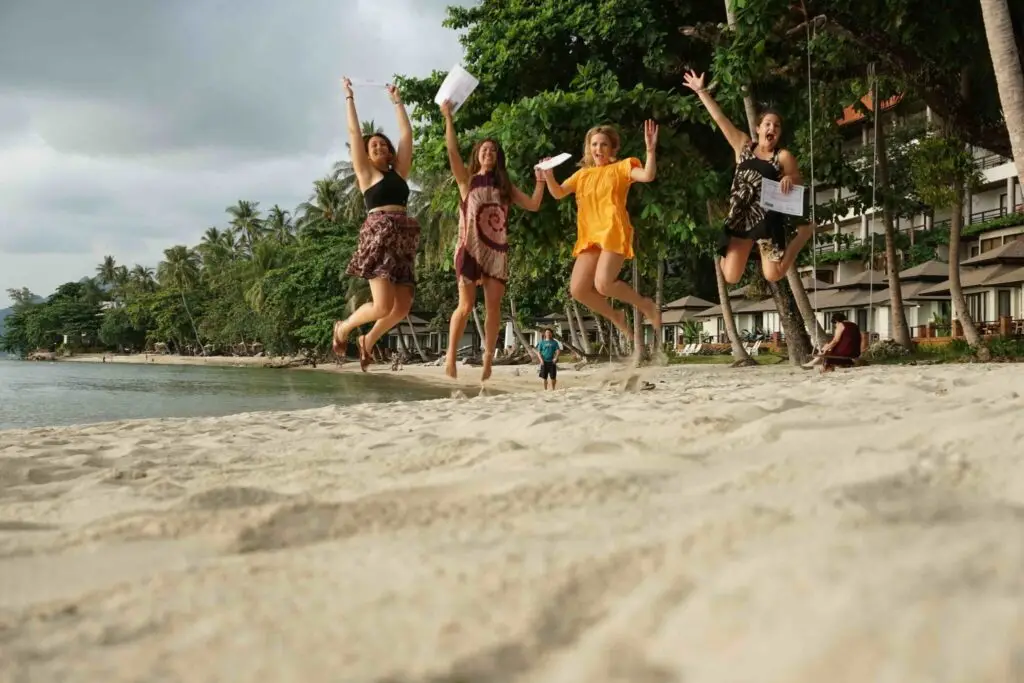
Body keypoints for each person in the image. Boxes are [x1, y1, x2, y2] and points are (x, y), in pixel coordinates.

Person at [440, 99, 546, 381]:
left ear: (498, 158)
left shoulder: (505, 186)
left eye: (493, 150)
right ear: (478, 155)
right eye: (484, 149)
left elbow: (534, 205)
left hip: (496, 251)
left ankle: (488, 358)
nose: (489, 152)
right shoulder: (467, 180)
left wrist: (541, 180)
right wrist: (448, 118)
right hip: (470, 248)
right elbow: (451, 150)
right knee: (464, 307)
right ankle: (450, 357)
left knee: (493, 308)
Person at [540, 121, 662, 361]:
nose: (599, 148)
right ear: (589, 148)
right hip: (590, 237)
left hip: (613, 232)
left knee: (604, 284)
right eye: (594, 144)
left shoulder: (622, 168)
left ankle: (645, 305)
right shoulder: (582, 175)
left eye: (604, 144)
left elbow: (647, 175)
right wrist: (549, 175)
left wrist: (650, 150)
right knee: (578, 290)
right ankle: (617, 317)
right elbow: (558, 192)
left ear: (613, 148)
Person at [683, 70, 815, 285]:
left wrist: (789, 178)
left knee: (773, 274)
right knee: (731, 277)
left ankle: (804, 234)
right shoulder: (744, 146)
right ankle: (739, 247)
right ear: (758, 128)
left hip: (767, 220)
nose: (772, 128)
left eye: (777, 126)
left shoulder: (782, 156)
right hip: (742, 217)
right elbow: (720, 119)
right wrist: (701, 92)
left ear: (779, 133)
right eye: (768, 124)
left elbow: (797, 179)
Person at [332, 77, 420, 371]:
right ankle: (343, 329)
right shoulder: (367, 175)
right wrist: (349, 97)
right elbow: (354, 133)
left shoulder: (400, 173)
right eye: (374, 145)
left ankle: (366, 342)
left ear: (390, 152)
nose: (380, 146)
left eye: (383, 143)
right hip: (379, 236)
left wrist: (397, 101)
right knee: (382, 306)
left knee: (403, 307)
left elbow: (407, 135)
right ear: (368, 155)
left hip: (403, 239)